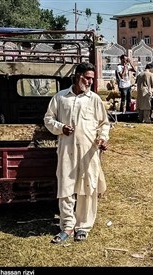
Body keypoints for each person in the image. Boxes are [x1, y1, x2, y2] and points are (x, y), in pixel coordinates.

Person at [44, 62, 110, 244]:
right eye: (86, 78)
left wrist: (103, 138)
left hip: (89, 151)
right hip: (66, 150)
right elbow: (48, 119)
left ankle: (83, 226)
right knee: (65, 187)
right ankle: (67, 225)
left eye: (91, 79)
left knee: (87, 187)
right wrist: (60, 128)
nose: (89, 82)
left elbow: (104, 124)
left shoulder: (94, 99)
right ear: (77, 76)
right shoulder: (60, 98)